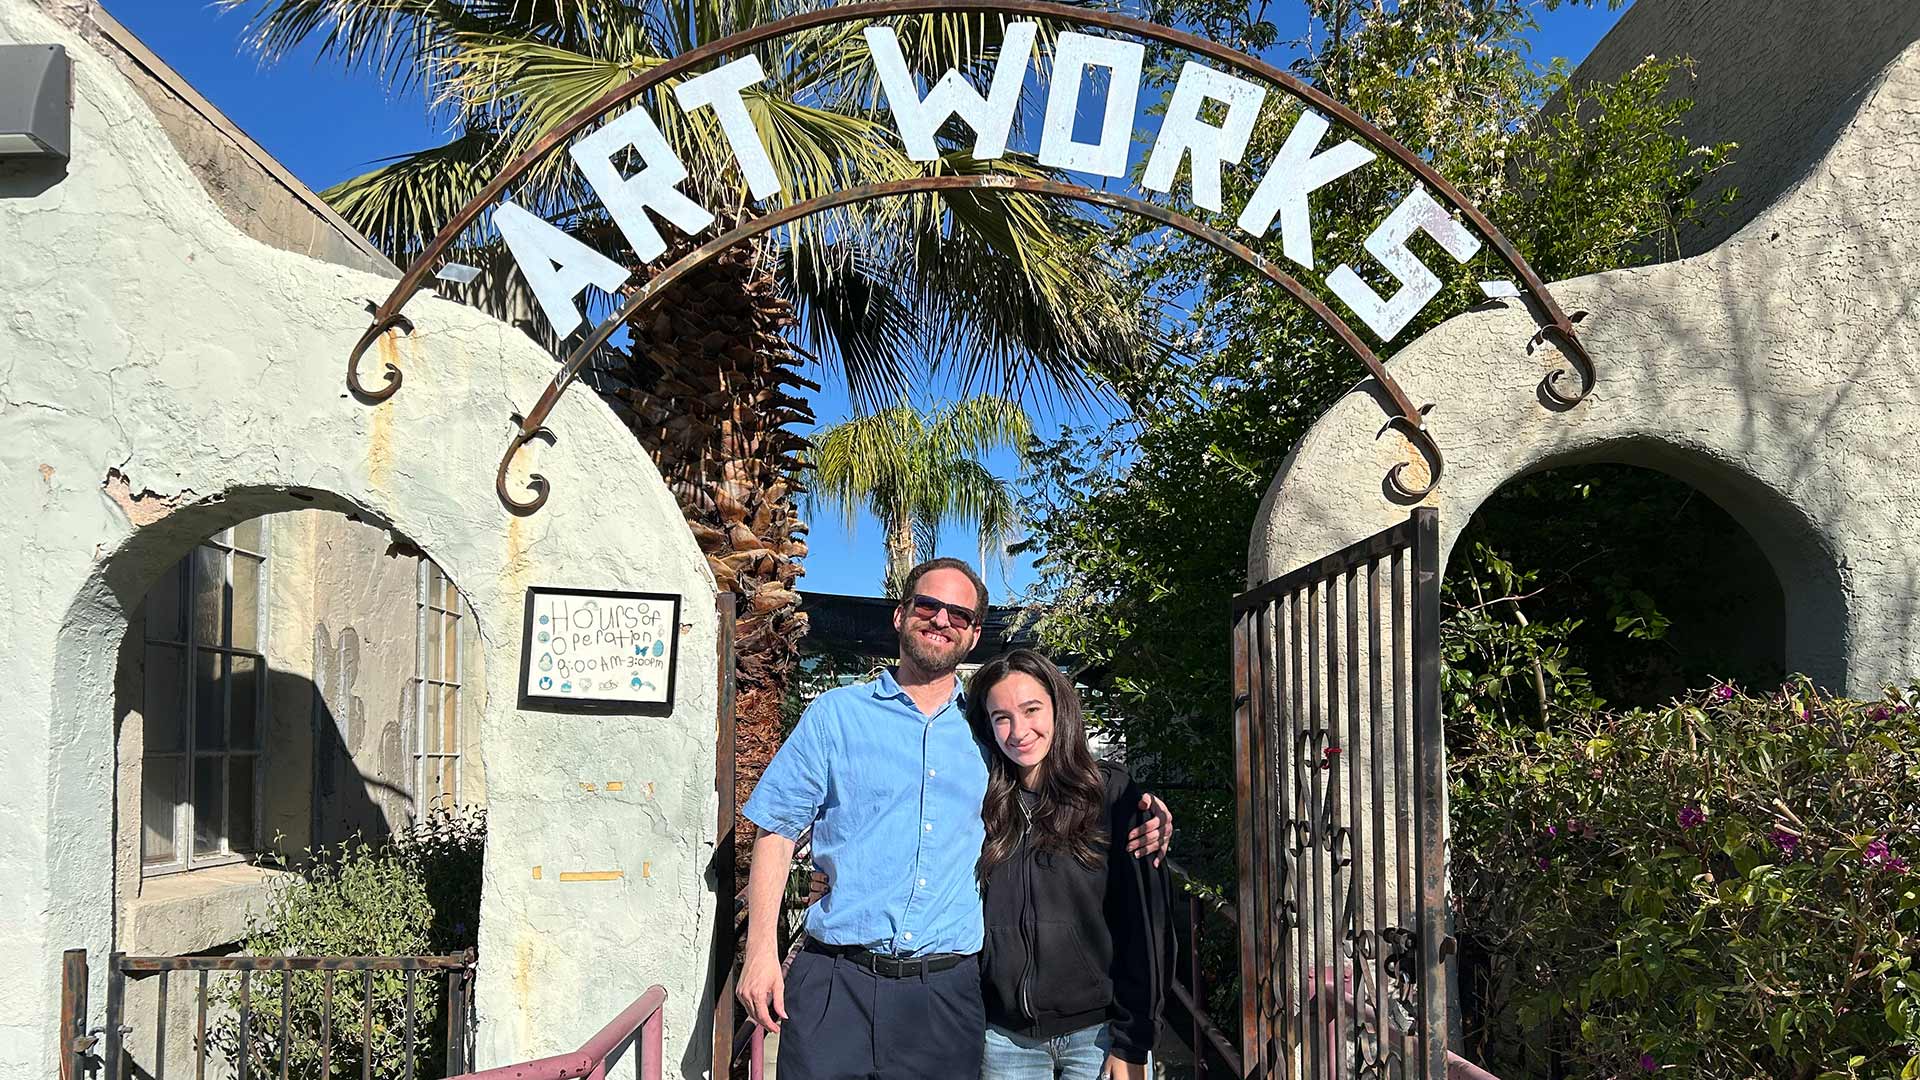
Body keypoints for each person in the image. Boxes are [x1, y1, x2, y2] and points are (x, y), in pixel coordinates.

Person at [737, 557, 1171, 1080]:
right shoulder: (835, 715)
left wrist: (1146, 811)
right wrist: (760, 951)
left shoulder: (984, 735)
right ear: (900, 616)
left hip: (944, 995)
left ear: (973, 634)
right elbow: (778, 827)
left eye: (959, 614)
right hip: (837, 981)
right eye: (928, 605)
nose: (942, 620)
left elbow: (1059, 778)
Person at [969, 649, 1171, 1080]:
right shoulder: (979, 804)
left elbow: (1145, 927)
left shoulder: (1111, 796)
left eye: (1031, 709)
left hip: (1097, 1039)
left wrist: (1134, 1043)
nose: (1018, 730)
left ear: (1059, 708)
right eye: (1001, 717)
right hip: (1005, 1041)